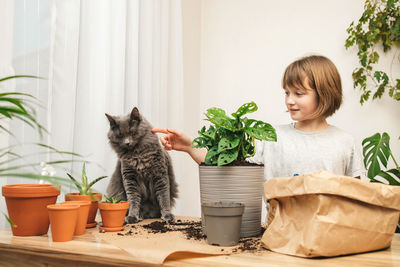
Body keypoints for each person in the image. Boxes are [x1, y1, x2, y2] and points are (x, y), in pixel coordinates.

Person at [152, 55, 364, 180]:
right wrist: (190, 146)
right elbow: (227, 167)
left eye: (299, 94)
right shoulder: (273, 138)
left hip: (331, 243)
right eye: (287, 93)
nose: (290, 100)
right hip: (280, 237)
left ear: (325, 93)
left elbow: (359, 196)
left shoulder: (344, 142)